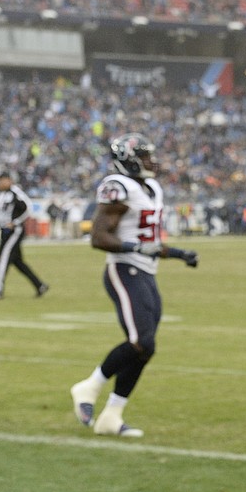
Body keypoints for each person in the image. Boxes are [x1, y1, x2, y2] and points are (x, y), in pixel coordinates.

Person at [70, 133, 199, 437]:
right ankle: (89, 386)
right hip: (123, 270)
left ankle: (111, 415)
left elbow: (150, 242)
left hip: (145, 272)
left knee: (146, 347)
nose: (151, 161)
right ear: (128, 159)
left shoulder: (151, 187)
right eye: (144, 156)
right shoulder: (118, 186)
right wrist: (135, 249)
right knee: (141, 339)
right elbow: (99, 238)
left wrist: (180, 254)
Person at [0, 172, 49, 300]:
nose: (0, 183)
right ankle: (40, 285)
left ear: (8, 180)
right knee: (17, 262)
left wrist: (15, 222)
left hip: (14, 231)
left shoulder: (15, 193)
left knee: (2, 258)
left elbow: (27, 208)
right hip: (4, 231)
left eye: (2, 181)